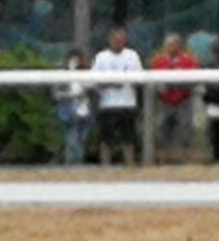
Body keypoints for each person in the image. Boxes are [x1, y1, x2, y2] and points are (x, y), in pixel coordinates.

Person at [91, 25, 142, 167]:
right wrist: (110, 84)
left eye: (121, 40)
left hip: (127, 103)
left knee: (129, 138)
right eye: (115, 40)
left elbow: (139, 78)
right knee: (106, 139)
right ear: (110, 40)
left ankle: (129, 166)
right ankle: (105, 167)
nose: (118, 43)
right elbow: (93, 81)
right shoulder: (101, 57)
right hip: (108, 104)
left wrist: (125, 81)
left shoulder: (132, 56)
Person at [150, 32, 198, 165]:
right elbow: (154, 81)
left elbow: (194, 80)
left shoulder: (189, 61)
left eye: (176, 44)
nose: (173, 47)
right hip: (164, 101)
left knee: (186, 129)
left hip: (183, 100)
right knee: (161, 129)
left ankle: (188, 159)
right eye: (170, 44)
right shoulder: (158, 61)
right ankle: (162, 159)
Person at [51, 48, 92, 166]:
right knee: (72, 140)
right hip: (68, 112)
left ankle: (78, 162)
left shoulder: (86, 74)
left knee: (81, 139)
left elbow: (92, 88)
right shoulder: (61, 75)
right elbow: (56, 94)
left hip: (84, 111)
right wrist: (71, 95)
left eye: (78, 60)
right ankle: (72, 165)